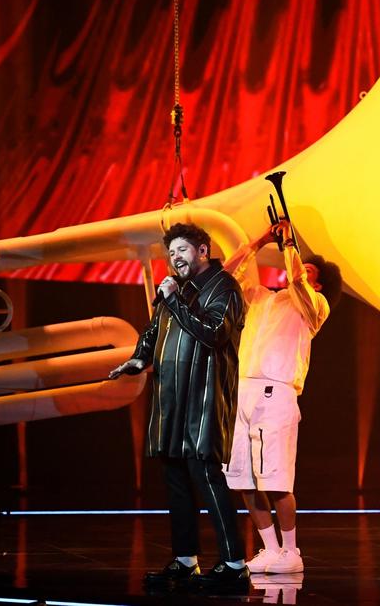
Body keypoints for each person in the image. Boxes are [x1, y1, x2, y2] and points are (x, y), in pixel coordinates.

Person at [110, 223, 247, 590]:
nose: (175, 258)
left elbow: (215, 333)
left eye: (182, 250)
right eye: (171, 253)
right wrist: (139, 359)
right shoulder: (177, 290)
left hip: (203, 395)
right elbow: (154, 330)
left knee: (205, 474)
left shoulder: (224, 287)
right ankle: (186, 559)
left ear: (203, 251)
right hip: (171, 395)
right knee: (174, 475)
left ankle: (234, 563)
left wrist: (173, 300)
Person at [221, 220, 341, 574]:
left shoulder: (313, 306)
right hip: (242, 390)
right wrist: (259, 242)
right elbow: (225, 277)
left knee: (275, 480)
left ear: (317, 283)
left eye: (306, 270)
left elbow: (298, 282)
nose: (296, 271)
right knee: (244, 479)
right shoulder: (259, 298)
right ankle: (270, 549)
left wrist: (290, 245)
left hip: (277, 394)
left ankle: (291, 551)